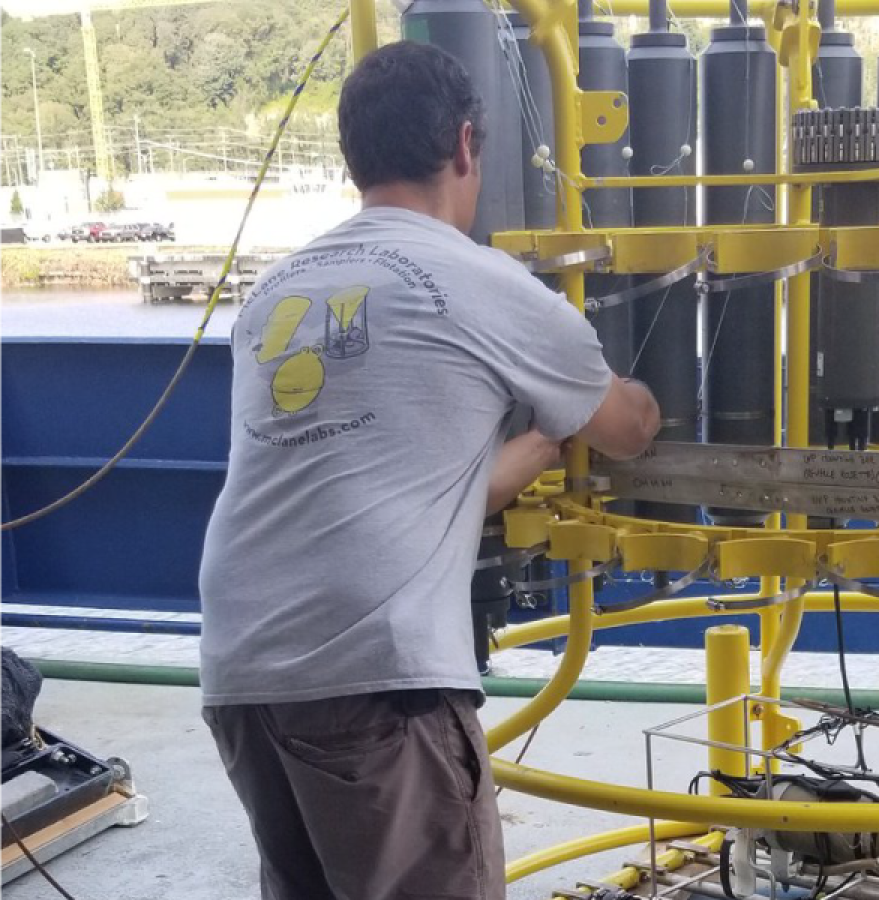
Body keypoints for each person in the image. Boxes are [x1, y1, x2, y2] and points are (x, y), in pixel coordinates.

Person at [198, 40, 660, 900]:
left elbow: (369, 483)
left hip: (241, 669)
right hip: (371, 678)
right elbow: (628, 430)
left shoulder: (274, 291)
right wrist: (629, 392)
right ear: (464, 147)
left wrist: (528, 453)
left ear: (353, 157)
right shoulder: (479, 280)